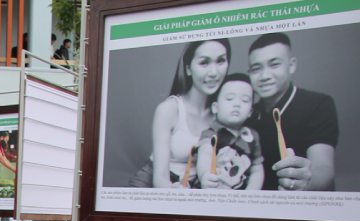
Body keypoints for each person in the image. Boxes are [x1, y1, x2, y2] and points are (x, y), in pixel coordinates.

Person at [130, 39, 230, 188]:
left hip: (192, 188)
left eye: (221, 61)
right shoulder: (169, 109)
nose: (214, 72)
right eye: (204, 63)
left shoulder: (225, 111)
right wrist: (176, 195)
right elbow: (160, 178)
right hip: (155, 186)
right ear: (188, 69)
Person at [246, 32, 337, 191]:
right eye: (256, 68)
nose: (264, 76)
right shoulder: (248, 114)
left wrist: (306, 184)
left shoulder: (317, 104)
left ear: (292, 65)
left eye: (274, 64)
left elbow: (323, 168)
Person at [195, 74, 264, 190]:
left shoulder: (252, 136)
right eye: (230, 98)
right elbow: (205, 156)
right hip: (214, 193)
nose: (237, 104)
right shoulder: (211, 134)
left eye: (245, 100)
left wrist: (251, 192)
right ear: (215, 107)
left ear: (250, 112)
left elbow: (257, 168)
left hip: (241, 198)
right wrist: (204, 175)